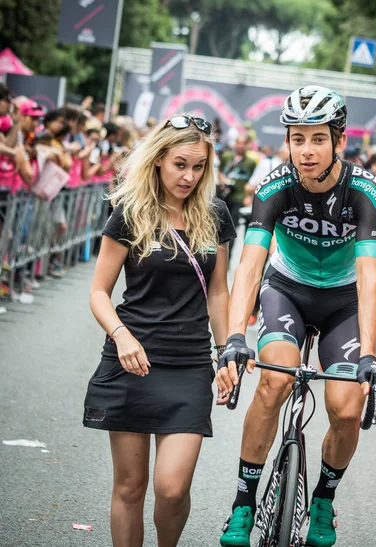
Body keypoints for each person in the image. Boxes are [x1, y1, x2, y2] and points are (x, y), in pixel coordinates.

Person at [217, 86, 376, 547]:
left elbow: (370, 276)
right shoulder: (274, 186)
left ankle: (323, 501)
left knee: (346, 407)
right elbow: (251, 264)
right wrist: (235, 336)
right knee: (273, 381)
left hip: (343, 300)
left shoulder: (364, 190)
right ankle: (243, 502)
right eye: (297, 138)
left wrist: (370, 355)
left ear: (339, 140)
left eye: (317, 139)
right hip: (287, 291)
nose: (306, 150)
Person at [83, 114, 236, 547]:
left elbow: (219, 291)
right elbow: (98, 291)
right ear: (158, 161)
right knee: (130, 487)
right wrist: (121, 335)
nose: (189, 176)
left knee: (172, 488)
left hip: (189, 364)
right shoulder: (130, 212)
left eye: (199, 166)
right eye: (180, 164)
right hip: (132, 360)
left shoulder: (215, 214)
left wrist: (226, 352)